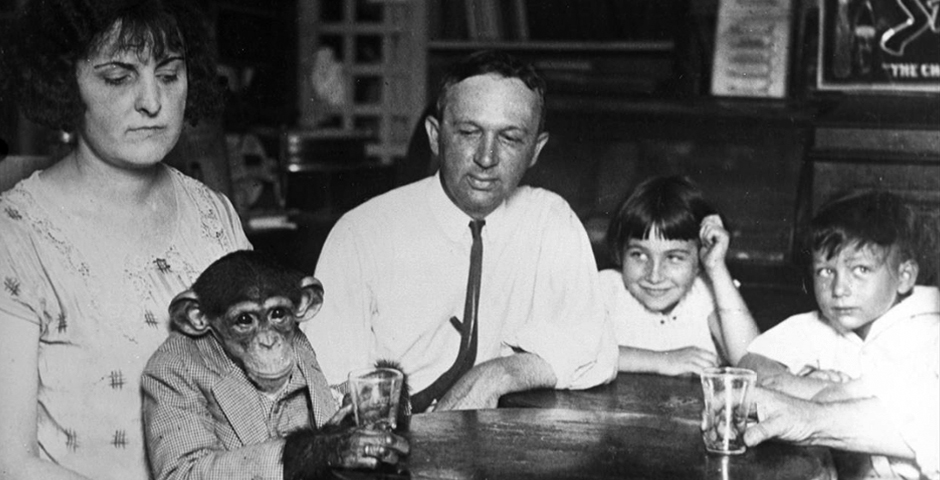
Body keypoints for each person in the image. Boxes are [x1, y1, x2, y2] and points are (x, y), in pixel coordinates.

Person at [0, 1, 251, 478]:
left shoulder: (213, 216)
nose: (152, 102)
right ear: (63, 84)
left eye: (170, 74)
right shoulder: (15, 235)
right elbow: (9, 461)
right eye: (119, 78)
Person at [304, 50, 617, 412]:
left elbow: (598, 348)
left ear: (536, 150)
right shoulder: (362, 234)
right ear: (436, 137)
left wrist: (499, 374)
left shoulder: (549, 221)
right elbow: (328, 388)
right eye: (469, 132)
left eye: (511, 138)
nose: (486, 158)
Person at [740, 190, 939, 479]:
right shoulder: (818, 325)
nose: (839, 289)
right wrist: (804, 384)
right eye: (825, 271)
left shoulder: (930, 330)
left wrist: (819, 395)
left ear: (904, 275)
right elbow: (750, 367)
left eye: (860, 269)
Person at [598, 175, 760, 376]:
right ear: (620, 252)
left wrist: (717, 268)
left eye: (674, 257)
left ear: (699, 259)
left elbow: (752, 363)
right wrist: (660, 361)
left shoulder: (705, 293)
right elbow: (576, 353)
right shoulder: (606, 287)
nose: (654, 276)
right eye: (639, 255)